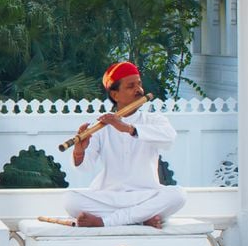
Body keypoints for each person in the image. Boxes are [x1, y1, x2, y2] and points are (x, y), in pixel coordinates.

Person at [62, 60, 186, 228]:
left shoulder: (153, 120)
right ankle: (142, 218)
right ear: (115, 95)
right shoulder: (100, 126)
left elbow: (169, 138)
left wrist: (128, 129)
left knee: (178, 195)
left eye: (139, 84)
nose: (139, 90)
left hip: (145, 195)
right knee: (70, 200)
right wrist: (79, 152)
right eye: (131, 86)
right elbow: (85, 167)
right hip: (110, 197)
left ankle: (107, 222)